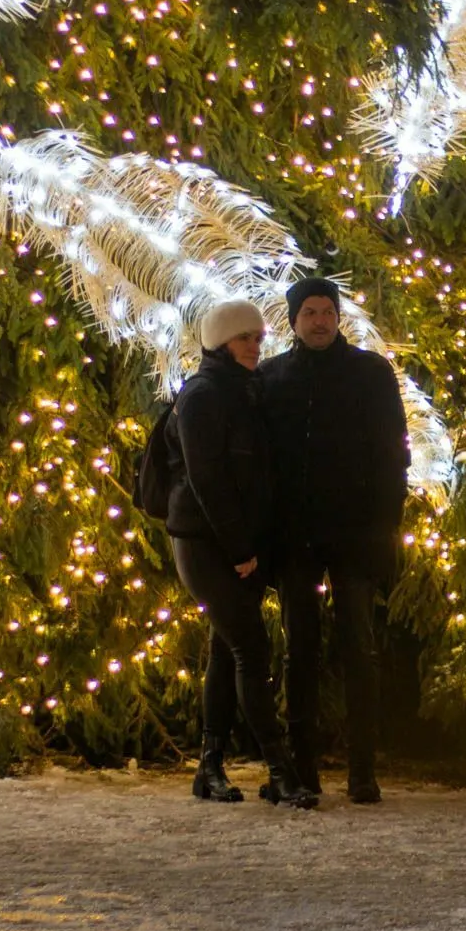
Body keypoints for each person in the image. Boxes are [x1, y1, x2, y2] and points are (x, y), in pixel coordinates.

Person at [260, 277, 409, 803]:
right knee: (299, 650)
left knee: (358, 649)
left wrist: (385, 523)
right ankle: (303, 769)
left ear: (339, 317)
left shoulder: (370, 373)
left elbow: (394, 452)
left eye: (327, 311)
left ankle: (362, 770)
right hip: (295, 539)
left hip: (355, 534)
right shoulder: (272, 377)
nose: (320, 321)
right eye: (310, 313)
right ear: (293, 321)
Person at [166, 300, 315, 808]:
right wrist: (239, 549)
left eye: (258, 337)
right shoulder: (203, 395)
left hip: (237, 543)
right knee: (251, 650)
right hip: (207, 543)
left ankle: (209, 767)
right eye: (244, 338)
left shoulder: (245, 390)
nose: (255, 346)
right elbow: (207, 481)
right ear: (220, 342)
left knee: (225, 649)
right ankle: (280, 771)